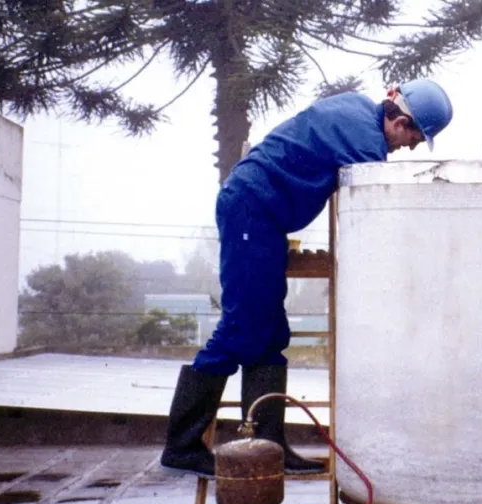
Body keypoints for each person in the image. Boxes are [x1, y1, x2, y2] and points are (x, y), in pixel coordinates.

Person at [160, 79, 454, 477]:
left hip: (263, 216)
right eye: (414, 139)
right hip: (250, 210)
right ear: (401, 122)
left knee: (270, 335)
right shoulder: (365, 143)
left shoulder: (355, 108)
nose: (410, 148)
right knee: (241, 329)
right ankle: (181, 448)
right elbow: (377, 211)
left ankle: (269, 447)